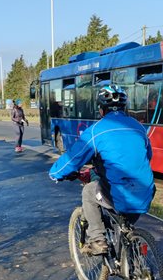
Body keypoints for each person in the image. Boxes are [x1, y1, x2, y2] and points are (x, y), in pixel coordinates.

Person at [49, 85, 156, 255]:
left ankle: (97, 239)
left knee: (89, 192)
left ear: (101, 110)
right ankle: (130, 261)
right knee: (124, 228)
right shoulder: (139, 128)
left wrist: (55, 173)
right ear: (124, 107)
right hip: (145, 192)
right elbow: (147, 156)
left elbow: (73, 158)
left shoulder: (96, 131)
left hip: (117, 194)